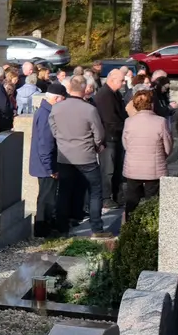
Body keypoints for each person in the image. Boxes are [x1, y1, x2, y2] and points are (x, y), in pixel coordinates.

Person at [51, 77, 109, 237]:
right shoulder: (89, 109)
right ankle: (96, 228)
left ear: (69, 89)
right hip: (86, 156)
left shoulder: (56, 108)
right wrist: (97, 145)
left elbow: (54, 130)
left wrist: (63, 140)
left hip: (65, 156)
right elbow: (99, 133)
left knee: (63, 191)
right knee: (95, 191)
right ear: (84, 90)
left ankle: (62, 227)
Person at [120, 88, 171, 216]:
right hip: (153, 167)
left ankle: (129, 227)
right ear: (152, 104)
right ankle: (151, 228)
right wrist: (162, 156)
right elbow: (168, 145)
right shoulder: (161, 122)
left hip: (133, 167)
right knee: (152, 200)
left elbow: (125, 144)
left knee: (132, 200)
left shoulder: (128, 122)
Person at [30, 84, 64, 237]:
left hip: (44, 163)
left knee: (46, 196)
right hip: (45, 165)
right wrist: (51, 168)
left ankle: (44, 227)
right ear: (56, 98)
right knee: (46, 198)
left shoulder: (45, 111)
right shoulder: (46, 114)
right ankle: (43, 230)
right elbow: (45, 144)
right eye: (63, 99)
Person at [93, 68, 129, 208]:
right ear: (112, 80)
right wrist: (125, 126)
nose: (124, 83)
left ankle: (117, 195)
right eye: (121, 80)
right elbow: (110, 119)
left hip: (115, 135)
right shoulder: (105, 95)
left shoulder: (113, 94)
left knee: (117, 169)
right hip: (109, 137)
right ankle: (106, 197)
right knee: (108, 170)